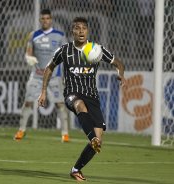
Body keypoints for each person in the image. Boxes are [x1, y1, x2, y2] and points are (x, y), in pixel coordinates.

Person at [38, 17, 126, 181]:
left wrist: (120, 74)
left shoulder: (97, 50)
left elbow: (118, 63)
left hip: (92, 96)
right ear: (72, 31)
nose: (80, 31)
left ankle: (76, 168)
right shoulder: (64, 50)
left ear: (88, 31)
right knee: (79, 105)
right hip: (72, 93)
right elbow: (49, 68)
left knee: (98, 143)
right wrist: (43, 91)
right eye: (77, 28)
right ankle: (91, 137)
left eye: (84, 28)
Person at [14, 9, 70, 142]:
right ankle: (21, 130)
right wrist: (28, 58)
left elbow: (66, 55)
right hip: (37, 75)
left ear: (51, 20)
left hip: (54, 76)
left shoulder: (60, 35)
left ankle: (65, 133)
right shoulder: (33, 35)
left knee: (60, 104)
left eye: (47, 18)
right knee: (27, 102)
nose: (45, 21)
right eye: (43, 18)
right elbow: (28, 52)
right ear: (40, 20)